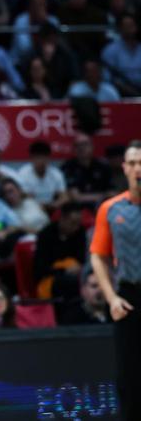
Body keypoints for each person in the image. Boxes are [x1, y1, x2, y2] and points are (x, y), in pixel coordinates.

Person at [90, 141, 141, 421]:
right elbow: (98, 256)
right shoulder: (111, 209)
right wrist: (111, 299)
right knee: (130, 378)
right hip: (129, 299)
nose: (138, 169)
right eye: (132, 163)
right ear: (124, 168)